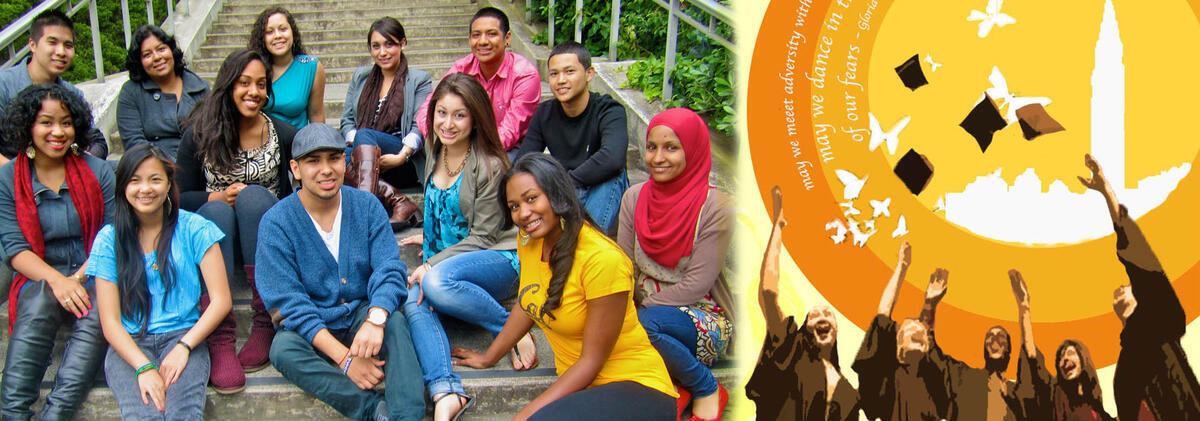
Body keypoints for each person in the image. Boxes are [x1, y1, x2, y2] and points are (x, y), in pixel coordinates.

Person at [453, 154, 676, 421]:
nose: (523, 213)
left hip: (636, 385)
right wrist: (489, 357)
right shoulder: (530, 241)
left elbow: (591, 362)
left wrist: (522, 416)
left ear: (557, 194)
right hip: (583, 388)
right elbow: (528, 302)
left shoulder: (602, 259)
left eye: (532, 198)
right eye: (514, 206)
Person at [257, 123, 425, 421]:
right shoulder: (276, 222)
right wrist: (346, 360)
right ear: (295, 168)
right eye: (313, 160)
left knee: (396, 323)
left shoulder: (367, 205)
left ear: (344, 161)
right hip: (314, 324)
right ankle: (373, 410)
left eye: (334, 158)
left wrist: (376, 317)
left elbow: (389, 268)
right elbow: (288, 304)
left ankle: (406, 416)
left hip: (362, 313)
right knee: (283, 349)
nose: (326, 169)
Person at [395, 72, 528, 421]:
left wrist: (431, 263)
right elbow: (441, 208)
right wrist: (431, 243)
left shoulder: (489, 164)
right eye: (441, 113)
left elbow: (483, 237)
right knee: (412, 299)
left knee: (433, 281)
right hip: (451, 262)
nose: (447, 123)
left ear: (475, 118)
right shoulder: (433, 150)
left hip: (496, 259)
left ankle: (511, 328)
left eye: (459, 115)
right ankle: (446, 391)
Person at [177, 49, 297, 393]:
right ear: (229, 86)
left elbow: (296, 199)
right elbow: (178, 198)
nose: (254, 92)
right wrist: (215, 197)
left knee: (254, 197)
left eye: (261, 84)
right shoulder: (199, 134)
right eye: (244, 83)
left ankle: (264, 317)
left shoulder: (282, 134)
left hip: (265, 232)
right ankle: (220, 334)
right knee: (215, 212)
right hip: (217, 234)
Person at [87, 144, 232, 419]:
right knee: (144, 416)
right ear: (122, 187)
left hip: (183, 336)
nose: (145, 189)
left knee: (183, 415)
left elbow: (221, 300)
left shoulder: (194, 228)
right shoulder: (109, 239)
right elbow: (110, 323)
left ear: (168, 184)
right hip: (130, 345)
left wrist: (184, 347)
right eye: (135, 180)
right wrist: (143, 367)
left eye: (155, 179)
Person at [0, 84, 114, 419]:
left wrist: (77, 278)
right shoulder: (8, 178)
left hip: (94, 268)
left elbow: (109, 238)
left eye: (65, 122)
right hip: (39, 272)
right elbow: (14, 247)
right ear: (28, 126)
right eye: (46, 122)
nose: (57, 132)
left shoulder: (98, 171)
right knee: (37, 298)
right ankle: (13, 413)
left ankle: (57, 413)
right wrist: (57, 281)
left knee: (98, 307)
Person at [617, 107, 732, 420]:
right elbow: (624, 267)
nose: (657, 158)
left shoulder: (716, 207)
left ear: (692, 150)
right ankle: (673, 388)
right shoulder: (634, 197)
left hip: (703, 318)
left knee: (639, 326)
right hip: (644, 314)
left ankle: (706, 387)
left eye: (671, 148)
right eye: (652, 147)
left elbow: (697, 283)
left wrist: (634, 315)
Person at [1078, 153, 1200, 420]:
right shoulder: (1124, 372)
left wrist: (1106, 191)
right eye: (1117, 292)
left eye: (1126, 286)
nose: (1119, 289)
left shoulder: (1162, 321)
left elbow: (1140, 258)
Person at [745, 186, 860, 421]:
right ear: (804, 330)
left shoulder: (848, 393)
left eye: (828, 314)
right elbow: (768, 292)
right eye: (814, 315)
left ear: (836, 331)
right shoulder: (790, 349)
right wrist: (778, 226)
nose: (822, 316)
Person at [516, 41, 629, 234]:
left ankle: (586, 239)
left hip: (597, 185)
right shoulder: (545, 112)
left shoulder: (609, 110)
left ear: (589, 74)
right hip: (565, 189)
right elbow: (524, 161)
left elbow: (612, 158)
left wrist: (566, 182)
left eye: (569, 72)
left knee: (614, 176)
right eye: (554, 74)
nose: (561, 80)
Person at [923, 269, 1050, 421]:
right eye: (990, 337)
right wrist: (929, 305)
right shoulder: (964, 379)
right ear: (984, 349)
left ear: (1009, 351)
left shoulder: (1017, 394)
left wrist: (1024, 309)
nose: (995, 339)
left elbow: (1032, 362)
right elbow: (930, 355)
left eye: (1001, 337)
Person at [340, 17, 429, 230]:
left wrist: (401, 156)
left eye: (389, 44)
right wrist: (362, 148)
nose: (383, 52)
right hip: (365, 159)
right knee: (333, 160)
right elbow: (346, 122)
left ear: (403, 43)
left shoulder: (419, 79)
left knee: (363, 136)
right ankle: (400, 201)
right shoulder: (361, 77)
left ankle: (364, 214)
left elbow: (420, 125)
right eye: (376, 46)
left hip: (401, 158)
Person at [415, 7, 540, 154]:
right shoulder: (462, 68)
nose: (482, 41)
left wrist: (465, 152)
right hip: (462, 142)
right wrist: (439, 138)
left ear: (507, 38)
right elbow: (426, 111)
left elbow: (508, 135)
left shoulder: (524, 75)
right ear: (469, 40)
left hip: (509, 150)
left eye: (491, 34)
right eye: (476, 35)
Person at [852, 242, 954, 421]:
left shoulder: (934, 384)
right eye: (909, 329)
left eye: (921, 332)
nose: (917, 329)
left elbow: (926, 332)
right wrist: (902, 267)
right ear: (897, 345)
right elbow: (883, 315)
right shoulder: (886, 381)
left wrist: (930, 303)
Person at [0, 10, 107, 166]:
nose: (61, 52)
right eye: (52, 42)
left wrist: (80, 167)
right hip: (12, 176)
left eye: (68, 45)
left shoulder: (71, 93)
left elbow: (97, 142)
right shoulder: (4, 84)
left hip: (61, 174)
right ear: (32, 45)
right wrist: (21, 177)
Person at [116, 25, 209, 160]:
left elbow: (213, 135)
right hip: (153, 168)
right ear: (139, 61)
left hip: (199, 167)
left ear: (171, 50)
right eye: (147, 55)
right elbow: (133, 143)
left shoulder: (200, 87)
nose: (157, 57)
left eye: (161, 49)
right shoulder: (131, 93)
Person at [250, 6, 325, 130]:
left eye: (283, 29)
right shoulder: (254, 67)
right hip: (261, 143)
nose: (277, 36)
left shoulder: (311, 67)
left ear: (292, 32)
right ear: (262, 39)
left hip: (296, 145)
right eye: (269, 32)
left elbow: (316, 116)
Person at [1050, 339, 1113, 420]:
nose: (1065, 358)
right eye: (1061, 357)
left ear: (1082, 358)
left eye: (1070, 353)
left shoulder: (1092, 397)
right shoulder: (1059, 393)